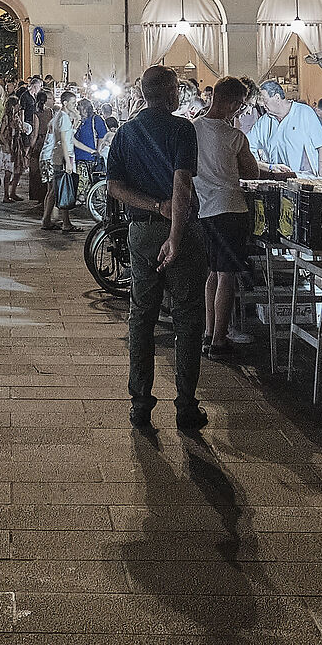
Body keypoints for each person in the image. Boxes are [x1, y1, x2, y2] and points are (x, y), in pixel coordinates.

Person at [109, 65, 204, 433]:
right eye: (177, 88)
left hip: (140, 233)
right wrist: (176, 235)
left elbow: (114, 186)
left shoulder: (126, 132)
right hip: (176, 232)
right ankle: (185, 405)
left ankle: (140, 403)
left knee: (141, 317)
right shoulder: (182, 129)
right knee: (187, 319)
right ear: (169, 92)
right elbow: (182, 187)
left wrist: (150, 207)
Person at [193, 77, 293, 359]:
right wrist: (276, 173)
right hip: (231, 209)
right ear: (234, 103)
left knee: (212, 273)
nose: (240, 111)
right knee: (227, 276)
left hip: (205, 209)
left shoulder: (194, 129)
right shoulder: (234, 136)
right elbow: (250, 172)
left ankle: (209, 332)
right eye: (240, 105)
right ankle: (219, 341)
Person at [251, 80, 322, 176]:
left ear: (277, 98)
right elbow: (248, 147)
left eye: (265, 100)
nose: (262, 105)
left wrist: (321, 177)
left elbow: (321, 146)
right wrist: (267, 167)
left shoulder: (304, 112)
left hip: (305, 179)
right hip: (278, 180)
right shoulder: (264, 122)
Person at [37, 92, 77, 231]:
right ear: (65, 103)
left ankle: (48, 219)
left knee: (54, 191)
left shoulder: (58, 116)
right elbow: (64, 142)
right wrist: (68, 162)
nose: (75, 106)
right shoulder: (63, 118)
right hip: (56, 158)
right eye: (73, 103)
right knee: (59, 189)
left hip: (51, 156)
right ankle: (62, 222)